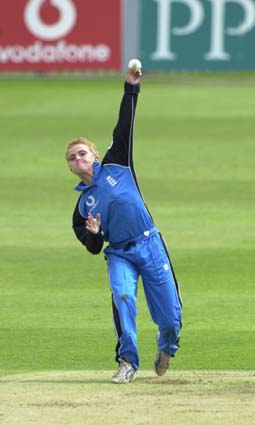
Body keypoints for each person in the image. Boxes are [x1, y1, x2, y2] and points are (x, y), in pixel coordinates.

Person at [66, 65, 182, 384]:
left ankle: (167, 346)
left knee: (170, 316)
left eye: (82, 153)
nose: (79, 160)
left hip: (149, 244)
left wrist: (131, 88)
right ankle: (127, 361)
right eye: (72, 158)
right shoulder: (81, 207)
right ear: (71, 168)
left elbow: (124, 127)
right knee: (123, 298)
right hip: (119, 253)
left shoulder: (118, 161)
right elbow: (93, 248)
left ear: (94, 155)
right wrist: (95, 234)